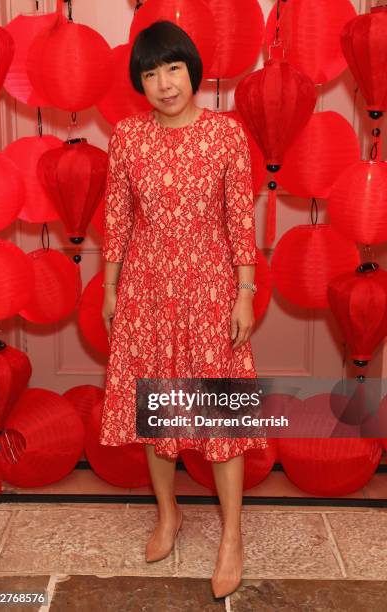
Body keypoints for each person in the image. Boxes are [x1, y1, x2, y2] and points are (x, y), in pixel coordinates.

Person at [100, 20, 268, 599]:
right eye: (149, 73)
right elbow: (118, 219)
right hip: (147, 289)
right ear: (139, 83)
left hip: (212, 287)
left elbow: (240, 220)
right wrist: (110, 287)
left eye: (172, 68)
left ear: (191, 69)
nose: (164, 83)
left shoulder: (226, 134)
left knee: (220, 414)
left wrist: (245, 291)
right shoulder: (126, 136)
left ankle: (232, 536)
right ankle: (168, 513)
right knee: (160, 409)